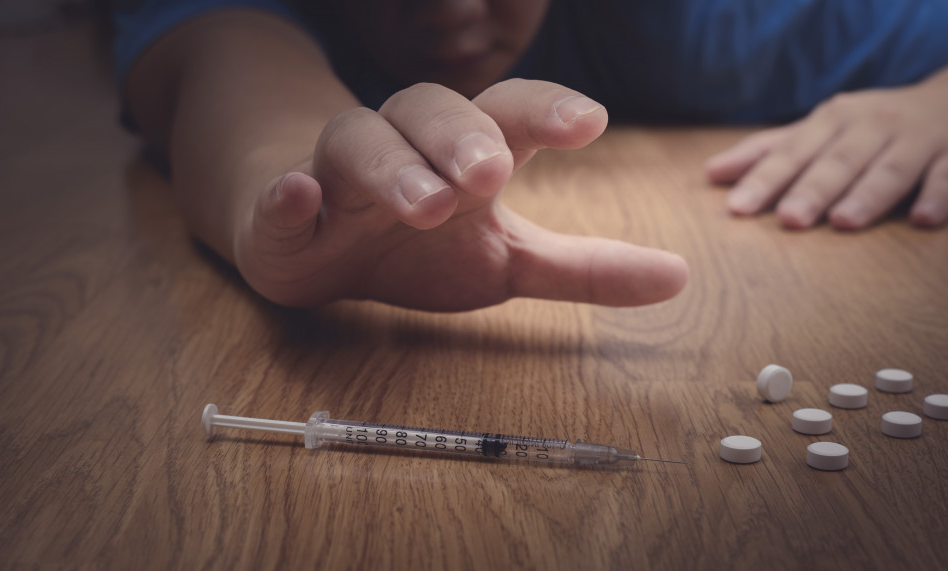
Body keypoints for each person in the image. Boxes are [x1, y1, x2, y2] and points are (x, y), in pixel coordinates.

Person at [113, 0, 948, 311]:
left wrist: (933, 99)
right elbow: (232, 82)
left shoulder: (699, 26)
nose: (451, 10)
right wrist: (297, 201)